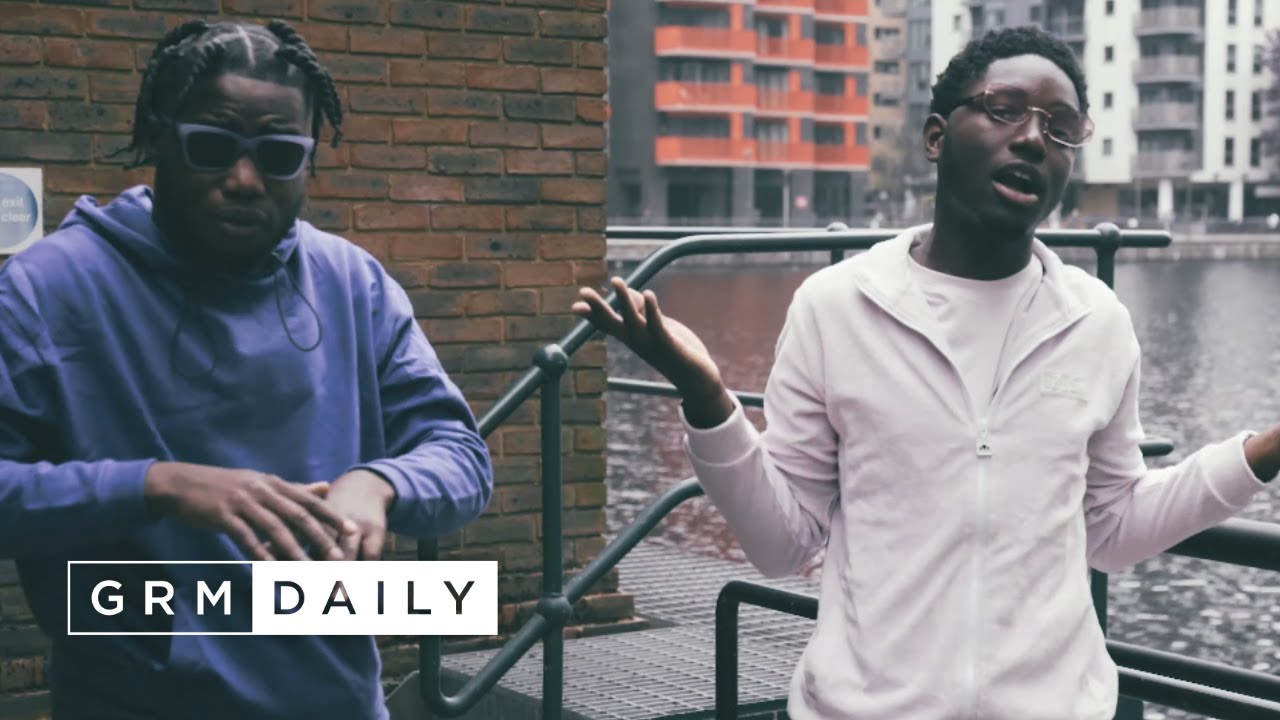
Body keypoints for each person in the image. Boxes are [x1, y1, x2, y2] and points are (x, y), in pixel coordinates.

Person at [574, 27, 1280, 719]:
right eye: (1005, 110)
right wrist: (708, 400)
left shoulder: (1097, 322)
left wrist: (1265, 450)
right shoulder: (837, 306)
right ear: (937, 137)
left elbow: (1114, 524)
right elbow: (783, 543)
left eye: (1061, 128)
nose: (1033, 139)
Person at [0, 19, 493, 720]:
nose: (243, 179)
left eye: (279, 156)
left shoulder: (352, 282)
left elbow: (461, 455)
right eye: (211, 147)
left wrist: (380, 482)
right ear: (159, 140)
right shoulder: (49, 288)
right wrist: (156, 485)